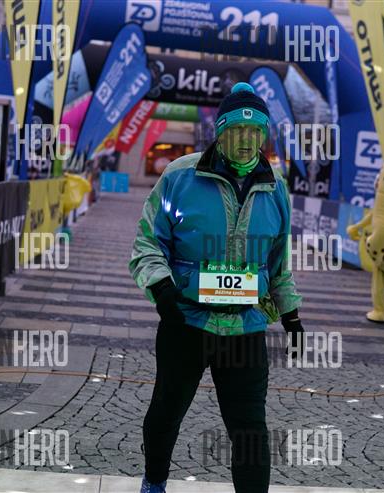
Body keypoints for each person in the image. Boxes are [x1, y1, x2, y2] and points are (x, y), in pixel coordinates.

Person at [130, 82, 304, 493]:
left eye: (255, 131)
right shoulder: (180, 176)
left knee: (250, 427)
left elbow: (278, 262)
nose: (245, 140)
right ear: (220, 133)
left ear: (263, 136)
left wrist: (291, 315)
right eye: (236, 130)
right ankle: (154, 483)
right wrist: (161, 290)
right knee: (167, 411)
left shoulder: (275, 187)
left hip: (246, 327)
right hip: (186, 322)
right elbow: (148, 242)